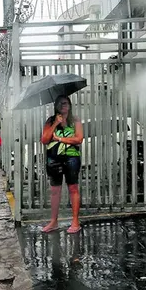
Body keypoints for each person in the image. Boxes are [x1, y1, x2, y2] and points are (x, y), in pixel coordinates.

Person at [40, 95, 84, 234]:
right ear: (56, 106)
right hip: (54, 159)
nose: (63, 105)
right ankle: (54, 221)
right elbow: (45, 139)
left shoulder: (75, 120)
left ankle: (75, 221)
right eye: (60, 103)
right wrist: (55, 124)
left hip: (71, 158)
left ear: (70, 105)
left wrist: (59, 138)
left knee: (73, 188)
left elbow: (79, 139)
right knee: (55, 190)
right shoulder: (51, 121)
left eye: (65, 103)